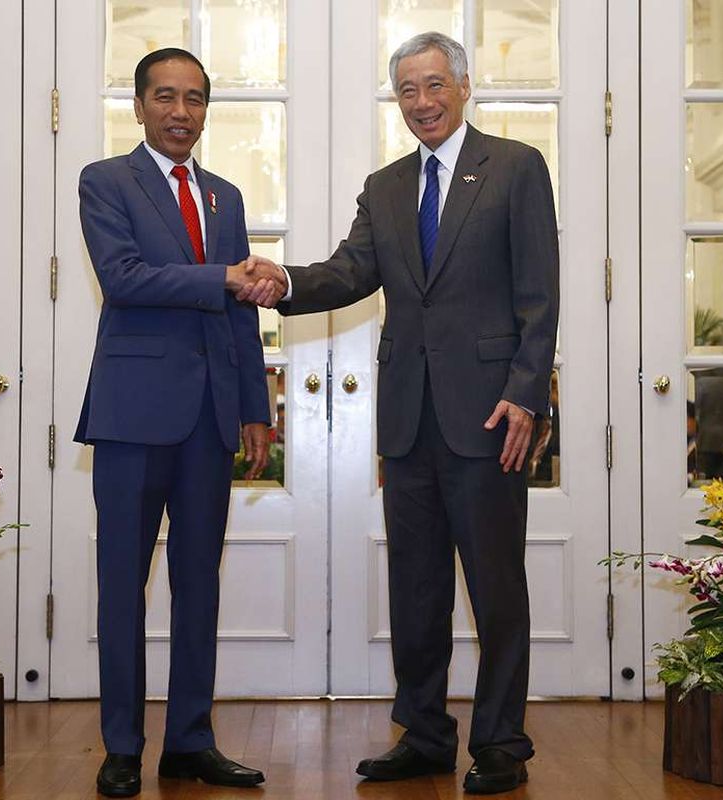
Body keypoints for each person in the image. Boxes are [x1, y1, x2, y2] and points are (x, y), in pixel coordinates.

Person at [240, 32, 557, 794]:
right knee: (415, 586)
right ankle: (423, 733)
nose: (422, 102)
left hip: (490, 416)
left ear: (464, 85)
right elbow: (352, 271)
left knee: (495, 585)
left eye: (434, 84)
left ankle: (503, 744)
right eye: (408, 90)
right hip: (408, 418)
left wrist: (525, 391)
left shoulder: (514, 167)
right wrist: (284, 281)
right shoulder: (385, 187)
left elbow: (538, 295)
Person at [75, 47, 282, 797]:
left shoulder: (224, 196)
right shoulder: (106, 180)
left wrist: (256, 409)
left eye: (195, 99)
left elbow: (240, 319)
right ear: (138, 105)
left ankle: (190, 741)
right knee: (122, 583)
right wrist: (221, 276)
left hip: (210, 420)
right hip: (133, 415)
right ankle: (123, 747)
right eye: (166, 97)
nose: (181, 112)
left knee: (200, 584)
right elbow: (122, 278)